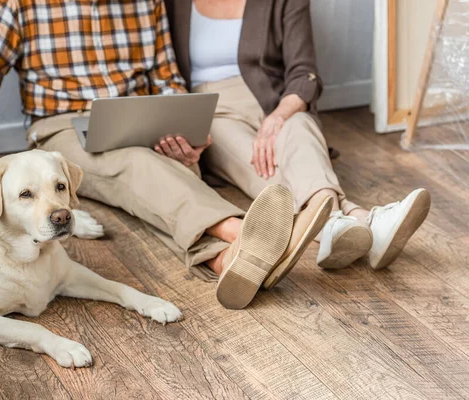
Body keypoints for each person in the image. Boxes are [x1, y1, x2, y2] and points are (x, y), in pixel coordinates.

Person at [0, 0, 331, 310]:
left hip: (138, 118)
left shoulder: (147, 2)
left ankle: (224, 261)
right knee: (137, 167)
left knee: (166, 171)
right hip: (62, 126)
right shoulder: (24, 4)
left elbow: (168, 78)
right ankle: (244, 233)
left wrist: (185, 129)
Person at [163, 0, 431, 275]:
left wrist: (279, 115)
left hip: (274, 99)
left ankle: (333, 225)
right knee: (261, 161)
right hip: (213, 112)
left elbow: (304, 72)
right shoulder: (169, 3)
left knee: (300, 123)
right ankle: (362, 219)